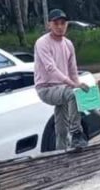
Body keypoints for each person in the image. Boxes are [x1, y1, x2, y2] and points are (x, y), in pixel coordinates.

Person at [33, 9, 90, 151]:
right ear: (49, 25)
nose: (59, 26)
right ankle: (77, 133)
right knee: (72, 94)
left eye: (63, 23)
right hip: (46, 88)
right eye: (56, 23)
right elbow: (50, 68)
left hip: (63, 88)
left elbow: (73, 70)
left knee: (61, 127)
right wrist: (73, 86)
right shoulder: (42, 43)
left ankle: (61, 152)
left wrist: (77, 85)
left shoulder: (68, 44)